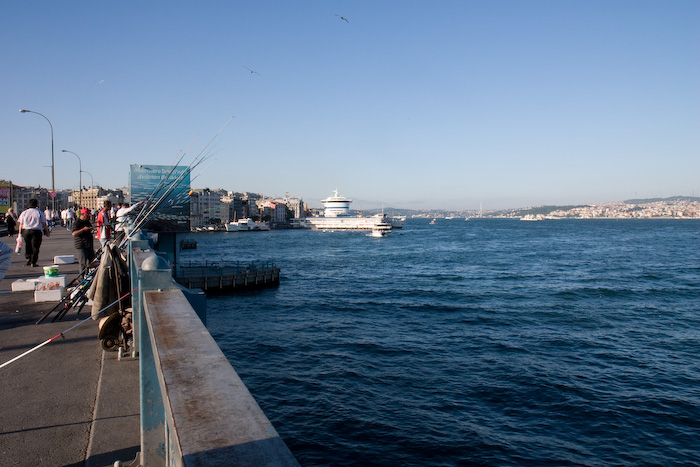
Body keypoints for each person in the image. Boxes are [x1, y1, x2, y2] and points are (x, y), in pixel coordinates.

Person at [17, 198, 50, 267]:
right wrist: (47, 231)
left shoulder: (24, 213)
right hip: (36, 231)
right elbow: (44, 223)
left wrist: (19, 233)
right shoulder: (39, 212)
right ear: (36, 205)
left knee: (28, 245)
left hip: (26, 231)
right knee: (35, 247)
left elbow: (21, 224)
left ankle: (28, 259)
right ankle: (33, 262)